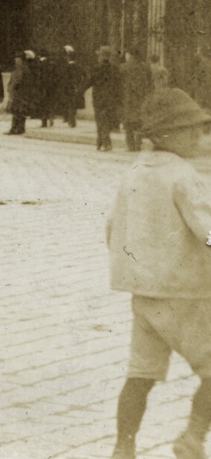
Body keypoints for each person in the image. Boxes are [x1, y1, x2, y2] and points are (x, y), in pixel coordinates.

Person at [105, 87, 211, 459]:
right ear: (168, 135)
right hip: (190, 298)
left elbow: (113, 229)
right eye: (194, 130)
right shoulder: (184, 176)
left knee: (140, 375)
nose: (201, 137)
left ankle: (123, 446)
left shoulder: (133, 172)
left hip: (145, 298)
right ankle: (193, 437)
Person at [122, 49, 154, 153]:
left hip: (128, 98)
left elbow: (119, 84)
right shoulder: (145, 67)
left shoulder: (124, 67)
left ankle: (130, 145)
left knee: (128, 123)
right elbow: (150, 84)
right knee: (139, 122)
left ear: (130, 55)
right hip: (141, 98)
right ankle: (138, 143)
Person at [94, 47, 124, 152]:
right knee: (106, 120)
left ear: (101, 56)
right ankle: (101, 142)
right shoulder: (115, 69)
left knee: (100, 121)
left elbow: (88, 81)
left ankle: (104, 143)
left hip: (98, 100)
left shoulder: (96, 69)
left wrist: (78, 92)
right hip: (111, 100)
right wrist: (119, 99)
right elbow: (120, 85)